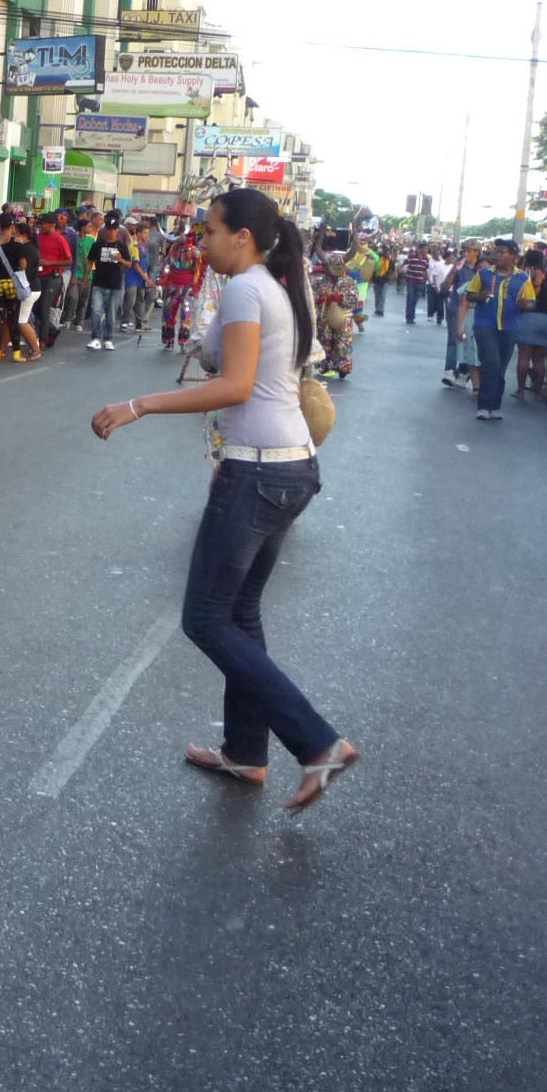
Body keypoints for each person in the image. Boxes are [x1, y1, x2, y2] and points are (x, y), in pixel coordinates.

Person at [91, 188, 356, 813]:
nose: (200, 241)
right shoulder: (270, 285)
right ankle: (245, 753)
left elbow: (236, 386)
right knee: (239, 616)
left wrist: (138, 405)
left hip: (261, 472)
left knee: (205, 619)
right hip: (286, 467)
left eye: (209, 231)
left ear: (241, 236)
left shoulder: (246, 288)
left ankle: (316, 741)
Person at [463, 238, 533, 420]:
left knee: (500, 368)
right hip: (485, 326)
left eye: (503, 252)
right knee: (491, 364)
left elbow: (531, 303)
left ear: (513, 256)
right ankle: (484, 406)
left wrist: (524, 304)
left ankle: (495, 406)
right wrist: (481, 296)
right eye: (497, 252)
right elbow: (469, 295)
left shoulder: (523, 278)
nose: (498, 255)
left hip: (509, 328)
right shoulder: (484, 274)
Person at [0, 212, 32, 361]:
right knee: (13, 319)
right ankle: (16, 353)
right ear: (12, 226)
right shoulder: (17, 244)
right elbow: (23, 265)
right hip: (11, 286)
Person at [512, 249, 547, 400]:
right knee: (540, 359)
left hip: (530, 317)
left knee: (524, 356)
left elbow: (533, 293)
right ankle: (538, 390)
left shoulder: (527, 273)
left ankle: (520, 389)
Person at [440, 239, 481, 390]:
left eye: (469, 250)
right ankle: (450, 370)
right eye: (464, 250)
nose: (465, 253)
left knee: (468, 342)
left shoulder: (480, 269)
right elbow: (445, 286)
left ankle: (464, 372)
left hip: (473, 310)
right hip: (456, 307)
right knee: (453, 339)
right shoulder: (459, 267)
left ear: (476, 252)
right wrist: (455, 271)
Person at [84, 213, 129, 351]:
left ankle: (108, 338)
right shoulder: (98, 245)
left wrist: (121, 259)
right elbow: (90, 261)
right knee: (96, 310)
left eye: (114, 229)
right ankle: (96, 337)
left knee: (111, 313)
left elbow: (129, 264)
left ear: (117, 231)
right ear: (105, 230)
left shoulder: (121, 246)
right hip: (98, 283)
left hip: (115, 284)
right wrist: (85, 279)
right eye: (109, 228)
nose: (111, 231)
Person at [311, 253, 358, 379]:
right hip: (324, 317)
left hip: (343, 316)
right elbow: (311, 296)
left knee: (343, 342)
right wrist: (320, 299)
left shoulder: (348, 281)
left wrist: (341, 298)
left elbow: (354, 299)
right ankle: (324, 366)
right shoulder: (319, 281)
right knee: (324, 340)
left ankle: (343, 367)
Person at [159, 223, 204, 349]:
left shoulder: (195, 251)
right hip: (172, 283)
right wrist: (162, 278)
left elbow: (199, 270)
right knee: (168, 311)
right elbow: (166, 263)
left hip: (187, 285)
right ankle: (169, 339)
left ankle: (183, 340)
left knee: (186, 312)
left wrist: (195, 285)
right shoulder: (173, 248)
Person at [34, 211, 72, 349]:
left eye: (43, 224)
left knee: (44, 307)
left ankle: (42, 339)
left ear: (52, 225)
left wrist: (49, 262)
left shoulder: (60, 239)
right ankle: (52, 329)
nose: (41, 226)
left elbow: (69, 260)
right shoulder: (38, 237)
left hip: (52, 277)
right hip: (38, 275)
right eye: (40, 224)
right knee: (35, 307)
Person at [402, 244, 431, 325]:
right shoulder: (412, 256)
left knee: (415, 300)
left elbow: (425, 270)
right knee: (410, 298)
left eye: (427, 249)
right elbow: (404, 263)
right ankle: (409, 317)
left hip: (420, 281)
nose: (426, 250)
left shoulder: (426, 259)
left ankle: (411, 315)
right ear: (420, 249)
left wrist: (426, 279)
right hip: (411, 280)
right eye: (425, 249)